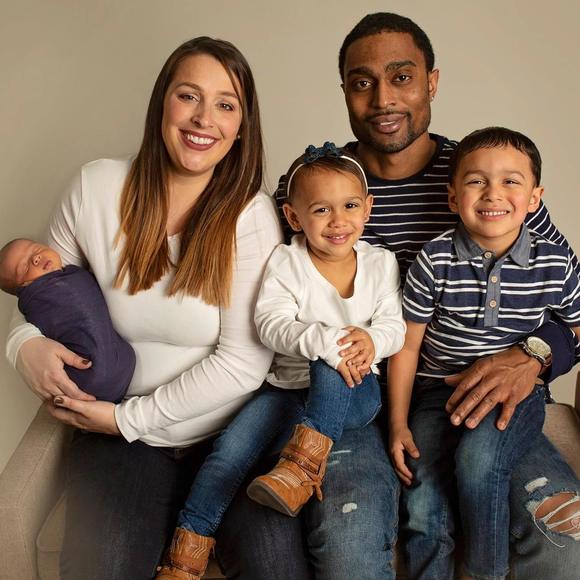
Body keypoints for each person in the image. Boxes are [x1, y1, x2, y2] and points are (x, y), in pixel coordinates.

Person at [216, 12, 580, 580]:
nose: (383, 98)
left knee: (565, 541)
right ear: (345, 91)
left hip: (479, 391)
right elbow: (266, 296)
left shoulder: (484, 176)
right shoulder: (314, 183)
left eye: (402, 77)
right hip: (350, 395)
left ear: (431, 82)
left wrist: (534, 356)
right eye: (362, 82)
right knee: (348, 546)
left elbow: (566, 302)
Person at [5, 37, 282, 580]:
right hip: (119, 441)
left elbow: (243, 364)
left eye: (226, 104)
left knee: (275, 564)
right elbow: (39, 289)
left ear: (242, 126)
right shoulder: (96, 187)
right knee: (102, 566)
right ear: (162, 102)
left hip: (229, 438)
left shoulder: (251, 217)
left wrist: (127, 421)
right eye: (189, 96)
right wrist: (22, 346)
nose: (204, 119)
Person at [156, 143, 405, 579]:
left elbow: (394, 327)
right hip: (286, 392)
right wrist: (323, 339)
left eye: (349, 206)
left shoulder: (381, 263)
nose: (338, 220)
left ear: (368, 208)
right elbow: (269, 324)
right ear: (293, 217)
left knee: (333, 361)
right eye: (321, 210)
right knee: (228, 453)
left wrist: (371, 339)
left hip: (354, 393)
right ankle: (185, 556)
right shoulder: (287, 262)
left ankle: (301, 468)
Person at [388, 126, 580, 579]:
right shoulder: (434, 259)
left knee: (479, 460)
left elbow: (576, 325)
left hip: (519, 392)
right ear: (453, 197)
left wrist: (535, 359)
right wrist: (397, 423)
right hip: (437, 394)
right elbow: (407, 345)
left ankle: (483, 572)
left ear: (535, 198)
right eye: (477, 181)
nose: (493, 193)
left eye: (511, 181)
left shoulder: (554, 262)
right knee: (422, 500)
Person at [0, 238, 135, 402]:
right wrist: (21, 341)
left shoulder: (69, 273)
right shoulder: (37, 298)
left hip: (121, 363)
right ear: (24, 286)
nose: (36, 258)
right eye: (25, 267)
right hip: (86, 377)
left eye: (36, 249)